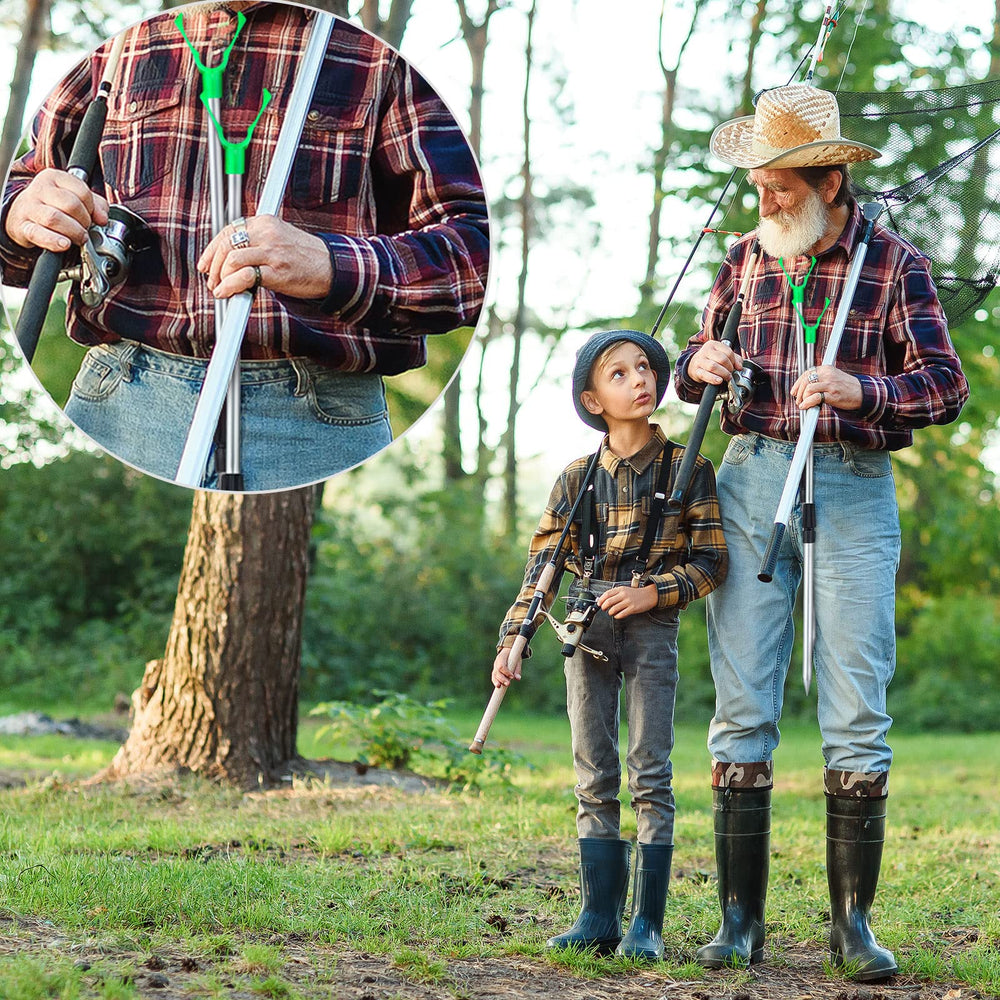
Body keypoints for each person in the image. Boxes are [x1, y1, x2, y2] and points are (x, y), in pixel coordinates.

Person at [674, 84, 969, 980]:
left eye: (782, 186)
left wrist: (861, 391)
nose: (765, 199)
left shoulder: (896, 264)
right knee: (741, 704)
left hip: (852, 484)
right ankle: (739, 921)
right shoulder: (743, 258)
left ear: (830, 181)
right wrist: (699, 363)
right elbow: (690, 373)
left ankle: (852, 927)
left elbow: (946, 387)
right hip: (751, 474)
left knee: (856, 708)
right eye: (760, 184)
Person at [0, 1, 489, 491]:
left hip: (316, 417)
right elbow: (21, 197)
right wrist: (22, 216)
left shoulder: (376, 58)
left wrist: (330, 265)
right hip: (120, 396)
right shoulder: (117, 47)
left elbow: (475, 256)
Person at [493, 329, 727, 960]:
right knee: (594, 771)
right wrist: (514, 639)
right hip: (585, 626)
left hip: (652, 629)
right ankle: (597, 916)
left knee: (650, 771)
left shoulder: (690, 467)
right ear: (593, 400)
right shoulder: (576, 478)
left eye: (644, 367)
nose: (639, 379)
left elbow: (712, 562)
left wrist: (655, 594)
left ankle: (645, 924)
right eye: (618, 374)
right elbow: (543, 568)